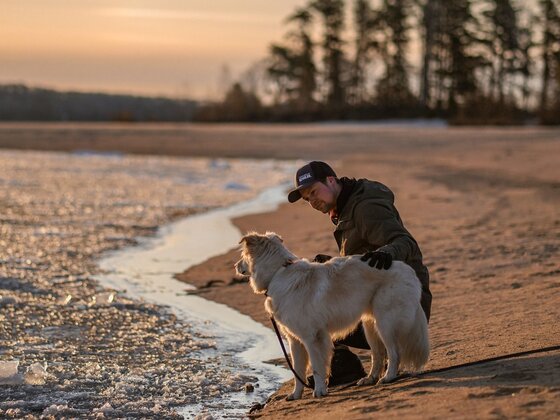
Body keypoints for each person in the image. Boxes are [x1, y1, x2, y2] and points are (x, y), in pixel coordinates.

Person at [287, 160, 432, 385]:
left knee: (316, 312)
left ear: (331, 180)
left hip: (406, 302)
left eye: (314, 192)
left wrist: (386, 252)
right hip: (379, 297)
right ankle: (351, 368)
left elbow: (405, 242)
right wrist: (331, 263)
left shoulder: (365, 208)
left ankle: (347, 366)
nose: (312, 201)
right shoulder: (345, 208)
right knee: (321, 297)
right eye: (307, 198)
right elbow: (360, 262)